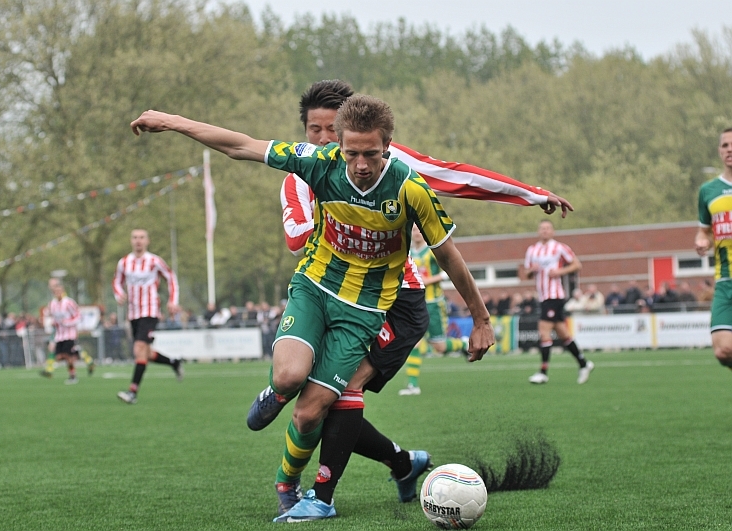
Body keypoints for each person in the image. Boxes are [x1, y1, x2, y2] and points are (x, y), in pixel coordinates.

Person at [131, 94, 496, 522]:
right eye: (352, 153)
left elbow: (448, 255)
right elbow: (241, 145)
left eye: (371, 154)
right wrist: (173, 120)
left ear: (389, 146)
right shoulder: (318, 162)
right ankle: (281, 399)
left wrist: (481, 319)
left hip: (363, 312)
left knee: (309, 413)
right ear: (338, 145)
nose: (361, 164)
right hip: (315, 288)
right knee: (289, 376)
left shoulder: (409, 189)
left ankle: (293, 488)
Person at [251, 80, 573, 519]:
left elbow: (457, 175)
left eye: (332, 129)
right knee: (317, 401)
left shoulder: (385, 163)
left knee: (337, 393)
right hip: (332, 291)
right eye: (316, 131)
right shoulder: (301, 176)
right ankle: (403, 464)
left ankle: (314, 494)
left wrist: (531, 194)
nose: (325, 140)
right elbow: (295, 240)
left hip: (397, 300)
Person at [114, 229, 183, 404]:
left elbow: (171, 277)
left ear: (147, 241)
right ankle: (173, 362)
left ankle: (132, 392)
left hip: (150, 311)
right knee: (145, 353)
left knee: (138, 349)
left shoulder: (154, 261)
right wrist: (119, 294)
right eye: (135, 237)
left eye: (142, 238)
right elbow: (117, 282)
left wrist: (172, 301)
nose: (138, 241)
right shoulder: (124, 262)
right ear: (131, 241)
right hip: (133, 312)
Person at [522, 220, 594, 384]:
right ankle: (584, 363)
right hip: (543, 296)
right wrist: (531, 272)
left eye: (548, 228)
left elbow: (577, 265)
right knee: (563, 334)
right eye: (542, 228)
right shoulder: (532, 250)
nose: (545, 231)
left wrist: (561, 271)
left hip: (554, 295)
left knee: (544, 330)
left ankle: (543, 372)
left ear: (552, 231)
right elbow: (526, 274)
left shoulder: (559, 247)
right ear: (538, 231)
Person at [399, 225, 468, 395]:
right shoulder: (407, 253)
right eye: (413, 229)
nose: (416, 233)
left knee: (440, 347)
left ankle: (463, 343)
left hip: (433, 303)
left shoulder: (432, 252)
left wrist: (425, 280)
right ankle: (413, 385)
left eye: (419, 230)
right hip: (414, 304)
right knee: (414, 343)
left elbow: (446, 272)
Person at [695, 127, 732, 370]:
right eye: (725, 145)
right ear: (719, 151)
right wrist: (702, 240)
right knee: (722, 351)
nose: (729, 150)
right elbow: (703, 229)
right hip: (724, 280)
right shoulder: (708, 191)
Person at [40, 278, 87, 383]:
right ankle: (77, 354)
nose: (57, 293)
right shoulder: (52, 304)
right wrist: (51, 322)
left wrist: (67, 322)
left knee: (65, 355)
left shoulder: (69, 302)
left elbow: (78, 316)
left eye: (59, 291)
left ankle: (72, 375)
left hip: (69, 334)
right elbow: (51, 317)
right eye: (55, 291)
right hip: (59, 334)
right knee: (59, 356)